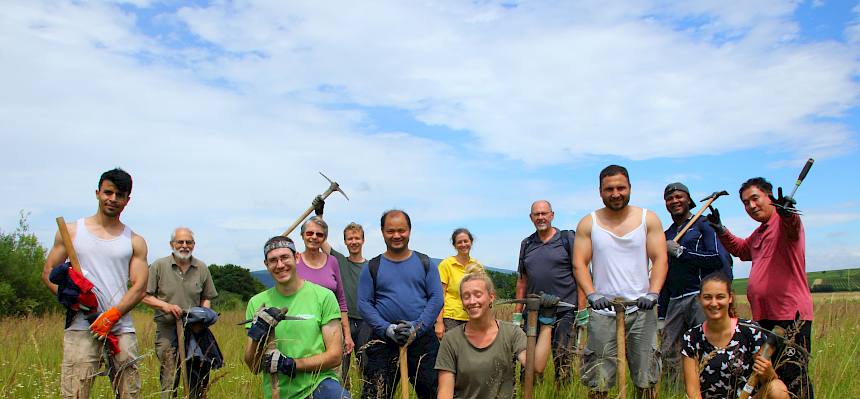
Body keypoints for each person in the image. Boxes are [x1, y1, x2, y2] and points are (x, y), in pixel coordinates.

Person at [41, 168, 149, 399]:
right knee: (75, 394)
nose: (113, 199)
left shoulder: (134, 241)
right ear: (98, 193)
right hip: (82, 326)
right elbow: (49, 273)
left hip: (120, 329)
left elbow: (139, 286)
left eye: (120, 195)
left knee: (129, 394)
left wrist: (112, 315)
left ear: (127, 200)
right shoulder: (71, 232)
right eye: (108, 192)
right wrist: (71, 300)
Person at [708, 177, 814, 398]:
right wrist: (721, 230)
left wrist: (788, 213)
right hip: (763, 318)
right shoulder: (759, 232)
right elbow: (741, 249)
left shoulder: (784, 224)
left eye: (755, 198)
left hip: (790, 316)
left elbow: (793, 226)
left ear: (770, 196)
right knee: (768, 378)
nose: (751, 206)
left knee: (794, 377)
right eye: (746, 203)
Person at [572, 165, 668, 399]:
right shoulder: (589, 223)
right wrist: (592, 294)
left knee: (646, 376)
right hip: (603, 311)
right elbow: (579, 264)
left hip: (641, 308)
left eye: (621, 188)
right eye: (609, 189)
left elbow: (660, 258)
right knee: (598, 379)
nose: (616, 194)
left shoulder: (648, 219)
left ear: (630, 188)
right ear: (600, 192)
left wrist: (653, 293)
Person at [244, 236, 350, 399]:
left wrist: (292, 364)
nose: (280, 265)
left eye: (285, 257)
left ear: (297, 258)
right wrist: (256, 335)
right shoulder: (257, 303)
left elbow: (335, 356)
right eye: (273, 260)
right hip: (278, 391)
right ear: (266, 265)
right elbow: (254, 367)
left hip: (318, 384)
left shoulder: (323, 296)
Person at [358, 210, 444, 399]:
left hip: (422, 341)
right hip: (383, 342)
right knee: (376, 394)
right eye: (390, 231)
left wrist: (416, 328)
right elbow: (364, 303)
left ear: (409, 230)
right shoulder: (372, 267)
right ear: (382, 232)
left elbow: (437, 298)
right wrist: (386, 329)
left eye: (401, 230)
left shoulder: (425, 263)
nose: (396, 235)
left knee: (434, 393)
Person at [436, 272, 556, 399]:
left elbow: (536, 366)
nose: (472, 301)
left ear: (491, 297)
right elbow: (445, 392)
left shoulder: (511, 333)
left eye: (478, 295)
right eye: (466, 296)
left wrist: (546, 324)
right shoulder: (451, 340)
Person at [660, 183, 732, 382]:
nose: (674, 201)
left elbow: (717, 258)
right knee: (669, 353)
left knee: (706, 348)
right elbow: (664, 274)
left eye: (679, 196)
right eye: (670, 198)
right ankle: (673, 393)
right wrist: (661, 313)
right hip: (674, 301)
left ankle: (709, 390)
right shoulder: (667, 234)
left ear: (688, 200)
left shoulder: (703, 224)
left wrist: (681, 252)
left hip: (699, 297)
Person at [681, 272, 789, 399]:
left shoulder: (750, 330)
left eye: (720, 297)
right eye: (707, 297)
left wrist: (768, 372)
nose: (714, 303)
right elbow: (693, 392)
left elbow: (767, 380)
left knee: (778, 389)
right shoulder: (691, 338)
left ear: (730, 298)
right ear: (699, 299)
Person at [514, 200, 586, 384]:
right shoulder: (527, 243)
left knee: (562, 360)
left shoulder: (566, 239)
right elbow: (522, 280)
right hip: (533, 312)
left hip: (564, 310)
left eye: (544, 213)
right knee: (529, 361)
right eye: (536, 214)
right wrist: (517, 313)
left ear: (552, 215)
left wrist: (581, 309)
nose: (540, 217)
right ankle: (529, 392)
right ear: (531, 218)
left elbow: (580, 273)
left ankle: (562, 392)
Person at [142, 227, 219, 398]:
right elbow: (145, 296)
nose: (184, 245)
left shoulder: (201, 267)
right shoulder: (158, 266)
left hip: (195, 329)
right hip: (168, 328)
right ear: (172, 244)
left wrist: (203, 316)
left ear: (194, 245)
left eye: (188, 242)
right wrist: (166, 306)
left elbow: (207, 297)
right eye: (180, 242)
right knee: (170, 375)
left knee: (198, 375)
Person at [311, 197, 372, 385]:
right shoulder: (339, 261)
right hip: (342, 320)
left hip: (366, 322)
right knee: (341, 367)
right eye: (350, 238)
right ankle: (343, 394)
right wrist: (319, 214)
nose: (354, 242)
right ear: (345, 242)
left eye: (357, 238)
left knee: (366, 366)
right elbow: (321, 241)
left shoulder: (372, 266)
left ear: (363, 240)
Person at [297, 216, 354, 363]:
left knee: (334, 371)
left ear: (324, 238)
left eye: (319, 234)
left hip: (332, 329)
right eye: (309, 233)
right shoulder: (294, 261)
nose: (314, 237)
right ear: (302, 235)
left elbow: (341, 300)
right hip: (303, 330)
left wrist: (347, 335)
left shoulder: (332, 262)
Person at [435, 228, 484, 339]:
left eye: (466, 241)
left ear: (471, 242)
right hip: (451, 318)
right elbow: (440, 295)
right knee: (454, 348)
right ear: (454, 245)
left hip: (473, 316)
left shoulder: (477, 266)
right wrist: (439, 322)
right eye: (459, 242)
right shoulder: (446, 265)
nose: (463, 244)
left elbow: (482, 293)